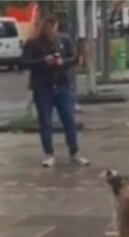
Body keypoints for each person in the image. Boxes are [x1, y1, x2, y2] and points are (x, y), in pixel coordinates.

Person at [22, 17, 89, 168]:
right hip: (42, 87)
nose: (51, 32)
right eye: (48, 28)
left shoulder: (64, 40)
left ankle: (74, 152)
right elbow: (23, 62)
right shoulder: (33, 43)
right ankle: (49, 153)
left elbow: (75, 58)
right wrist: (43, 61)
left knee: (69, 119)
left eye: (54, 28)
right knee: (45, 121)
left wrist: (62, 62)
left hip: (62, 85)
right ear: (43, 27)